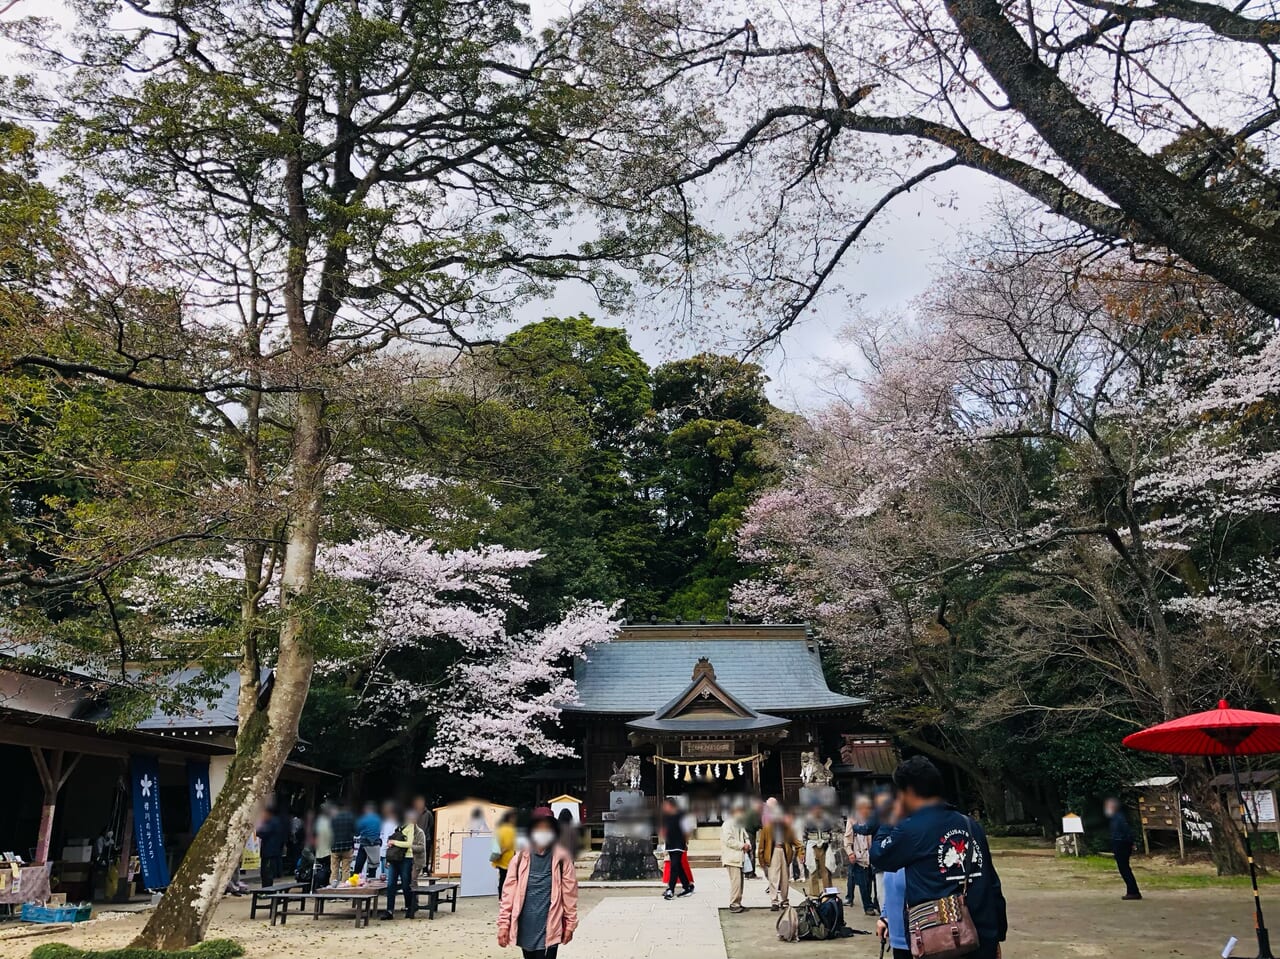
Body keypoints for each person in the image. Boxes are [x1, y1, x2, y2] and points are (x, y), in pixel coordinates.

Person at [870, 757, 1007, 959]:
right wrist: (997, 936)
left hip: (940, 942)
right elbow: (992, 884)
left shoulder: (912, 830)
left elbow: (879, 856)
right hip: (980, 936)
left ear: (908, 791)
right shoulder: (970, 825)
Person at [497, 807, 579, 959]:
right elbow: (508, 894)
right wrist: (503, 925)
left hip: (550, 925)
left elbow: (570, 894)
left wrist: (570, 924)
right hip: (525, 926)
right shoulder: (520, 858)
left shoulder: (562, 859)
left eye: (547, 828)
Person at [758, 798, 801, 912]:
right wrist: (762, 861)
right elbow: (761, 846)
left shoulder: (786, 827)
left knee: (784, 878)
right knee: (773, 877)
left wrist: (800, 852)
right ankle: (774, 901)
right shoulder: (767, 828)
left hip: (784, 851)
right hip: (773, 852)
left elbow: (796, 841)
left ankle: (785, 900)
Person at [380, 806, 418, 920]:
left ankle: (409, 907)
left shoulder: (411, 826)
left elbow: (409, 844)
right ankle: (389, 910)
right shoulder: (398, 827)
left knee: (406, 884)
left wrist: (394, 842)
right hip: (395, 858)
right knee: (391, 884)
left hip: (406, 858)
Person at [1105, 796, 1142, 900]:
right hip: (1120, 842)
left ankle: (1133, 891)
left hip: (1121, 843)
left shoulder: (1118, 817)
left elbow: (1126, 830)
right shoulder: (1115, 818)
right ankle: (1132, 890)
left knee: (1124, 868)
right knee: (1124, 868)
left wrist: (1130, 842)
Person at [844, 795, 877, 915]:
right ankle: (867, 906)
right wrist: (850, 852)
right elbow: (847, 838)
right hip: (859, 855)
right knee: (863, 883)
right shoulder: (852, 819)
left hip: (872, 855)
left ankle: (875, 903)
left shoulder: (872, 818)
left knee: (872, 882)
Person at [720, 803, 752, 914]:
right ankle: (734, 903)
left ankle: (738, 902)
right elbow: (728, 841)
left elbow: (746, 836)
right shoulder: (727, 824)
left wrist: (747, 844)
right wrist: (742, 845)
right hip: (732, 857)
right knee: (736, 882)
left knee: (740, 882)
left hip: (739, 857)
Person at [660, 798, 694, 900]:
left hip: (679, 844)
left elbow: (687, 830)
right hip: (670, 844)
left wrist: (686, 841)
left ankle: (671, 889)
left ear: (671, 805)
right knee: (678, 866)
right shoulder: (666, 817)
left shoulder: (682, 815)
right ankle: (687, 886)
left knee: (674, 866)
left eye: (665, 805)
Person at [257, 803, 287, 888]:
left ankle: (267, 890)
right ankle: (266, 889)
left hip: (269, 852)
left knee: (267, 872)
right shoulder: (275, 821)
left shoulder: (272, 822)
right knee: (265, 871)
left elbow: (261, 832)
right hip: (270, 851)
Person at [329, 801, 356, 885]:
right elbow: (355, 831)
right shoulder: (351, 817)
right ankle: (344, 889)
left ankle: (333, 888)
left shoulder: (332, 818)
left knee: (334, 869)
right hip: (347, 846)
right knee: (346, 869)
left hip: (335, 846)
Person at [354, 801, 383, 878]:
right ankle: (371, 883)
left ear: (366, 809)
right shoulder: (379, 819)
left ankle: (355, 880)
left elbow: (356, 832)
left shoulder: (362, 819)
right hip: (375, 844)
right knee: (373, 867)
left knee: (359, 865)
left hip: (364, 843)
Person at [493, 810, 518, 892]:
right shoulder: (511, 830)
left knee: (502, 879)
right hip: (509, 859)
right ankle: (505, 897)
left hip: (500, 860)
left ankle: (501, 898)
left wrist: (497, 856)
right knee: (508, 880)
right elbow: (508, 845)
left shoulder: (500, 829)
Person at [313, 804, 334, 888]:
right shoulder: (329, 822)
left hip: (319, 851)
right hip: (327, 850)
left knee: (320, 868)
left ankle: (317, 884)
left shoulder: (317, 822)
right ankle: (324, 884)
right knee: (327, 868)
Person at [412, 796, 432, 877]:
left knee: (425, 853)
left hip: (426, 836)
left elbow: (431, 824)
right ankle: (415, 869)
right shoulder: (413, 813)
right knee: (415, 853)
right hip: (415, 836)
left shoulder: (428, 813)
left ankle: (425, 869)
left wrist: (426, 831)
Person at [742, 797, 762, 879]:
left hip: (746, 834)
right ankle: (751, 873)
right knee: (751, 853)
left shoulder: (747, 811)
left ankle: (747, 872)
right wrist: (762, 826)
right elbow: (756, 825)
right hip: (751, 834)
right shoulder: (754, 813)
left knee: (747, 853)